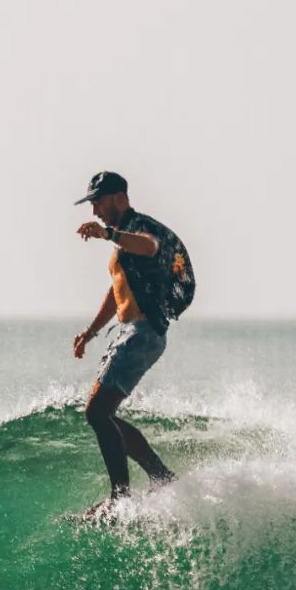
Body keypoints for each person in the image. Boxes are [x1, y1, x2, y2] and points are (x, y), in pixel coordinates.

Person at [72, 171, 182, 513]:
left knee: (97, 412)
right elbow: (116, 291)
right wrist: (90, 332)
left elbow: (150, 246)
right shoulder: (122, 245)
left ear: (120, 197)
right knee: (105, 415)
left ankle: (120, 498)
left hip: (144, 332)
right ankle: (161, 476)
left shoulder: (138, 229)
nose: (95, 211)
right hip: (133, 332)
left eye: (99, 202)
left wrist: (109, 235)